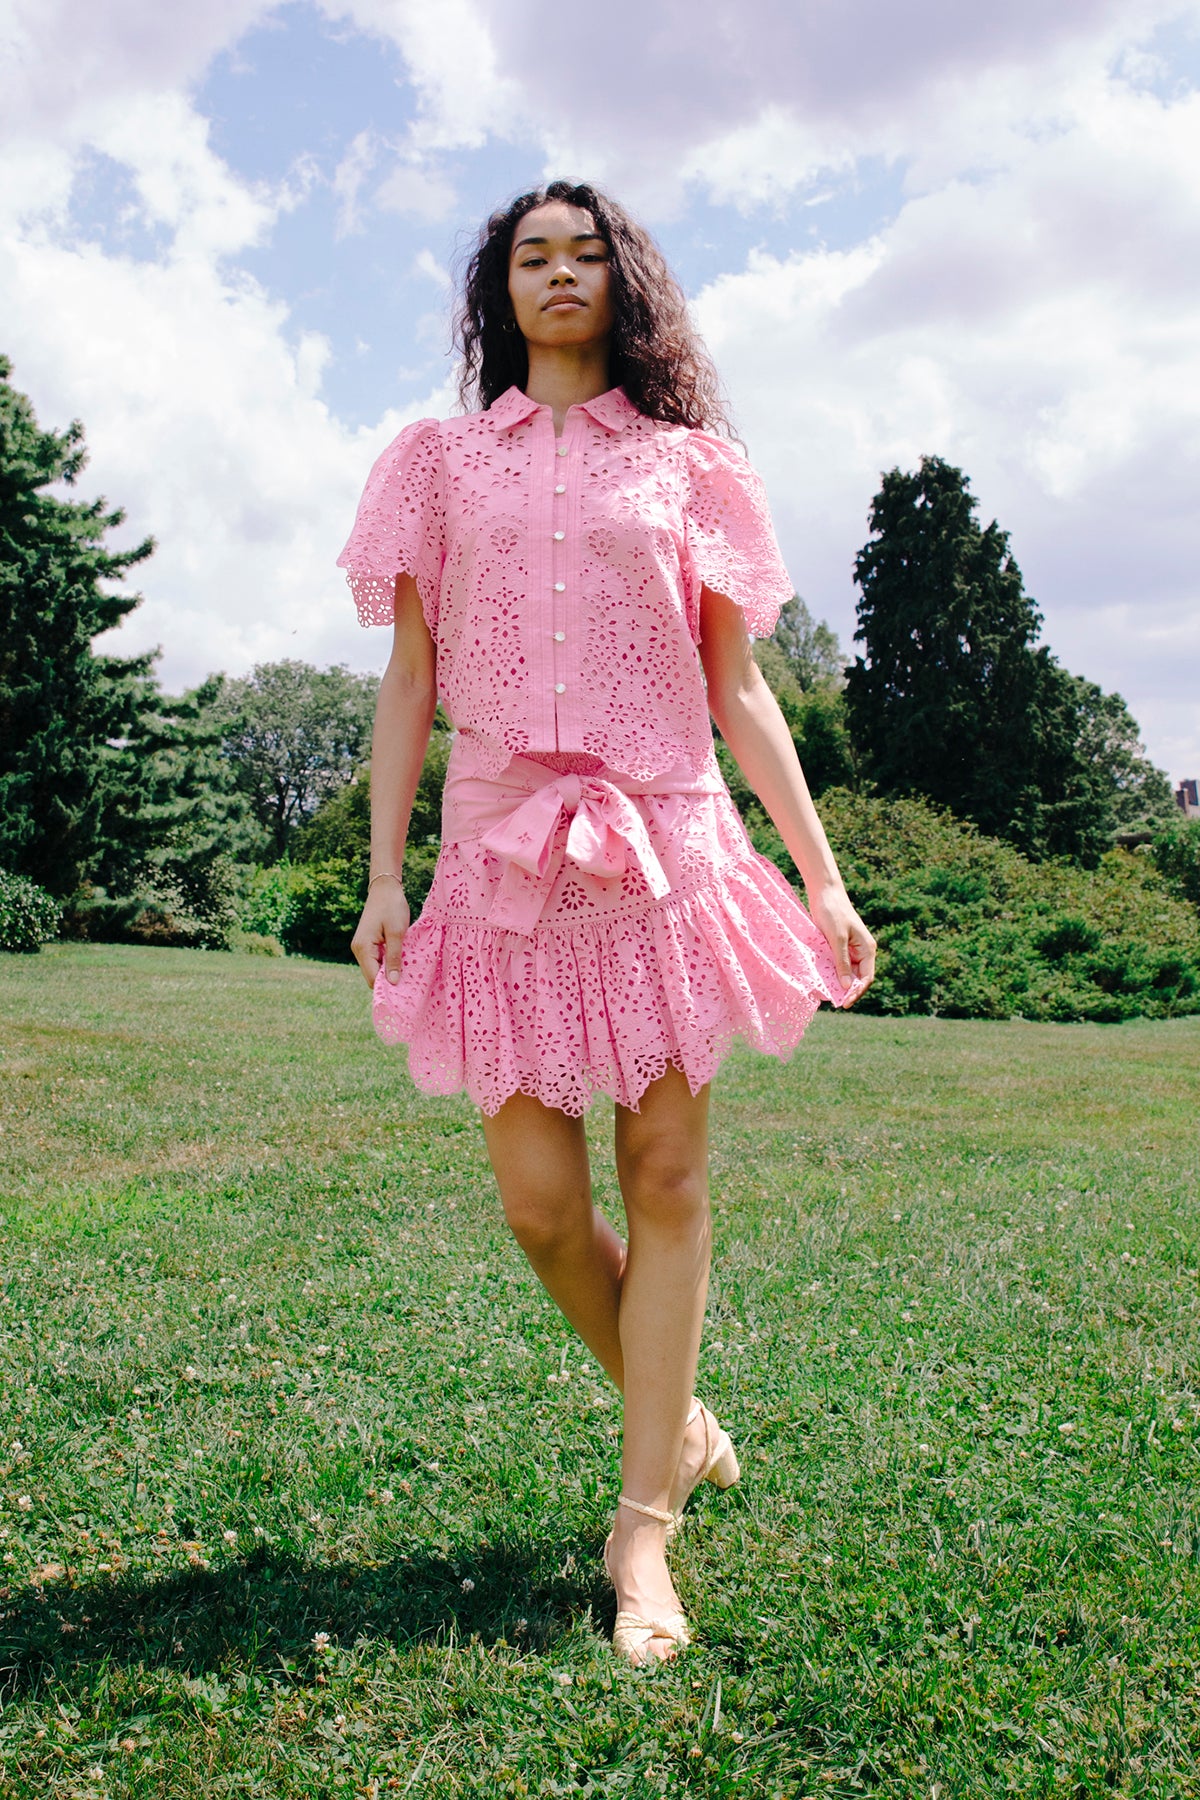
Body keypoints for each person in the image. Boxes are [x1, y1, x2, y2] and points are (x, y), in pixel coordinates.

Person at [339, 180, 875, 1665]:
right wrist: (384, 874)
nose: (559, 273)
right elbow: (409, 686)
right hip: (504, 854)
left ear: (624, 282)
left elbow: (740, 689)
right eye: (532, 256)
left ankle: (643, 1532)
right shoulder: (437, 464)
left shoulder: (694, 467)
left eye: (585, 253)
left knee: (665, 1173)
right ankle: (683, 1419)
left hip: (664, 846)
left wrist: (820, 873)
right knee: (538, 1202)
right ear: (497, 293)